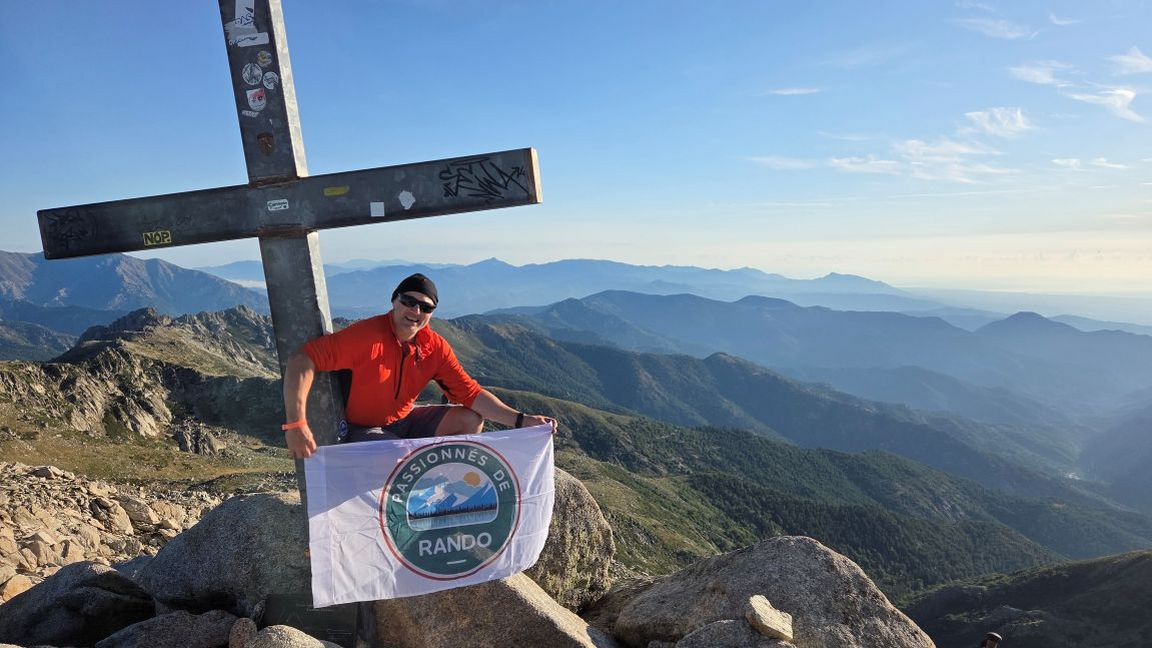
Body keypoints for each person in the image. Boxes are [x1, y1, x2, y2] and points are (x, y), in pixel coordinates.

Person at [281, 273, 555, 459]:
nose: (415, 311)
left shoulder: (434, 347)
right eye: (408, 302)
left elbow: (470, 394)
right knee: (397, 454)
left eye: (425, 307)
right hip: (362, 429)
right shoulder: (365, 337)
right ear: (394, 301)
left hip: (405, 419)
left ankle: (443, 486)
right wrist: (296, 424)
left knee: (470, 419)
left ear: (431, 314)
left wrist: (522, 420)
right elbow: (302, 360)